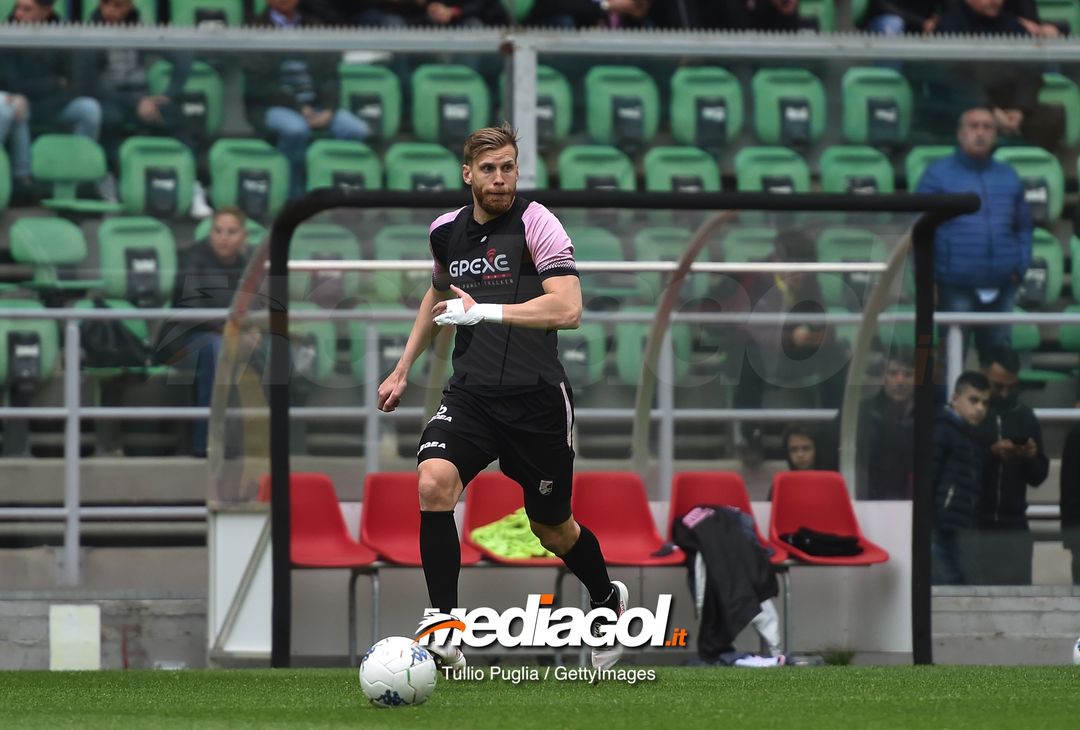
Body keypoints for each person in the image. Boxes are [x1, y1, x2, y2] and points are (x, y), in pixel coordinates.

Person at [376, 123, 628, 672]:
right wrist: (402, 367)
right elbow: (437, 296)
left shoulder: (538, 223)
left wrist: (485, 312)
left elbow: (569, 309)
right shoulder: (446, 232)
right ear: (467, 174)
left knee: (551, 529)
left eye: (507, 167)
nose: (499, 179)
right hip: (471, 396)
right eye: (488, 169)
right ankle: (445, 632)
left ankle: (607, 599)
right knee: (433, 483)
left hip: (536, 402)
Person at [916, 108, 1032, 366]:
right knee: (950, 364)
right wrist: (928, 281)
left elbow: (1024, 226)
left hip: (1002, 286)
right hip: (954, 286)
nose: (980, 133)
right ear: (960, 133)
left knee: (999, 365)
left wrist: (1020, 266)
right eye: (974, 126)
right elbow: (919, 230)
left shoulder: (1008, 175)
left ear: (995, 134)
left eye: (987, 127)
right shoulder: (937, 175)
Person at [245, 0, 370, 199]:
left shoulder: (314, 26)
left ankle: (329, 188)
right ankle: (291, 193)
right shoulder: (255, 29)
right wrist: (298, 107)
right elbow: (260, 84)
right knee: (296, 129)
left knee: (355, 130)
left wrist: (328, 109)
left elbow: (330, 75)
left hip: (316, 104)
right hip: (273, 105)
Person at [158, 206, 250, 457]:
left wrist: (253, 330)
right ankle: (205, 443)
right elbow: (192, 309)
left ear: (243, 236)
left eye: (231, 232)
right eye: (218, 231)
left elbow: (258, 303)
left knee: (271, 346)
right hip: (184, 340)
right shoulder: (192, 258)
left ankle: (265, 442)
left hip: (230, 335)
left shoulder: (248, 264)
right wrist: (232, 331)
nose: (223, 237)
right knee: (217, 348)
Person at [935, 0, 1065, 151]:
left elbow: (1031, 72)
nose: (994, 1)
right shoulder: (949, 27)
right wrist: (990, 110)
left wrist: (1020, 109)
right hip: (968, 104)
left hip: (1011, 105)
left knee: (1052, 116)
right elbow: (954, 78)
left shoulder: (1013, 26)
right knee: (973, 120)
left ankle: (1025, 163)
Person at [971, 346, 1047, 584]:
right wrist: (991, 454)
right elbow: (959, 466)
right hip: (976, 525)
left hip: (1014, 527)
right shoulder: (972, 415)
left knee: (1018, 599)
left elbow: (1038, 476)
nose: (1004, 394)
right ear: (984, 373)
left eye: (1011, 387)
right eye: (998, 386)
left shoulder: (1025, 416)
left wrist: (1030, 456)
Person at [1, 0, 103, 143]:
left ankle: (81, 155)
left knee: (89, 108)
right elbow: (12, 84)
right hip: (22, 102)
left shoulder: (61, 34)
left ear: (45, 11)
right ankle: (23, 159)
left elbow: (74, 81)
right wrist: (54, 83)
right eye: (17, 8)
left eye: (27, 9)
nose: (19, 14)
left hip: (54, 104)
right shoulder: (6, 36)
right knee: (17, 108)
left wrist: (52, 93)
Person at [932, 370, 990, 585]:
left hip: (961, 526)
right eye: (974, 400)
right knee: (950, 583)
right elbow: (929, 479)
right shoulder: (943, 430)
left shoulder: (969, 436)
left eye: (985, 403)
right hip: (942, 525)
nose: (980, 408)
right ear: (955, 399)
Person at [855, 347, 915, 500]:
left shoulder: (928, 414)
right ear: (883, 376)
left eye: (908, 374)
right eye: (893, 374)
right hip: (870, 499)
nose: (900, 381)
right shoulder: (863, 412)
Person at [859, 0, 944, 35]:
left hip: (921, 29)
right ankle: (890, 69)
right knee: (893, 24)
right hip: (882, 24)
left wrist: (936, 18)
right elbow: (881, 5)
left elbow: (942, 7)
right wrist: (920, 22)